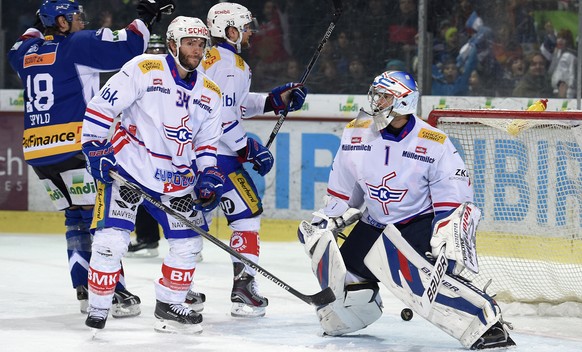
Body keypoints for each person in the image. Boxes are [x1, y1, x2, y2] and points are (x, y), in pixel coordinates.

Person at [297, 71, 516, 349]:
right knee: (341, 277)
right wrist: (326, 219)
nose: (376, 101)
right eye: (375, 94)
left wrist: (445, 238)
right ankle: (355, 310)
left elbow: (454, 200)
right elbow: (343, 191)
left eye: (384, 96)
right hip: (374, 223)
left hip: (415, 224)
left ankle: (486, 322)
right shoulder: (355, 132)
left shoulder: (433, 142)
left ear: (403, 102)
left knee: (418, 281)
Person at [7, 0, 173, 317]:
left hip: (38, 151)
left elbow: (21, 42)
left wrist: (41, 26)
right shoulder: (79, 45)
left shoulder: (25, 52)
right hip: (73, 146)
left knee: (75, 218)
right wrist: (146, 18)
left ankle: (84, 288)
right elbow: (130, 45)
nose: (82, 22)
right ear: (62, 21)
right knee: (99, 220)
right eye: (75, 17)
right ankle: (111, 291)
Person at [80, 15, 223, 333]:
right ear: (173, 44)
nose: (196, 50)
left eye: (201, 44)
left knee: (188, 246)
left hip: (174, 183)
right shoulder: (144, 68)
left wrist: (209, 175)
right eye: (189, 42)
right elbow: (102, 107)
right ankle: (100, 306)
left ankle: (169, 304)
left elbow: (206, 145)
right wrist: (93, 147)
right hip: (128, 172)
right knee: (110, 242)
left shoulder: (211, 92)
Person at [189, 2, 307, 318]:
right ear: (230, 30)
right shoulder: (229, 64)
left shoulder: (213, 59)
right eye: (246, 26)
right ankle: (243, 287)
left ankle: (181, 289)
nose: (251, 32)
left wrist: (272, 100)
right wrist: (247, 148)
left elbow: (235, 105)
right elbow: (225, 114)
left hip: (193, 156)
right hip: (220, 157)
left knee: (191, 223)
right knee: (247, 215)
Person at [126, 33, 167, 259]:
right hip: (143, 147)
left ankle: (188, 243)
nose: (155, 55)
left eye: (159, 50)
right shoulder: (136, 74)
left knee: (177, 196)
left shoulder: (181, 76)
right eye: (151, 50)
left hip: (173, 149)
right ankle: (148, 237)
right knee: (141, 192)